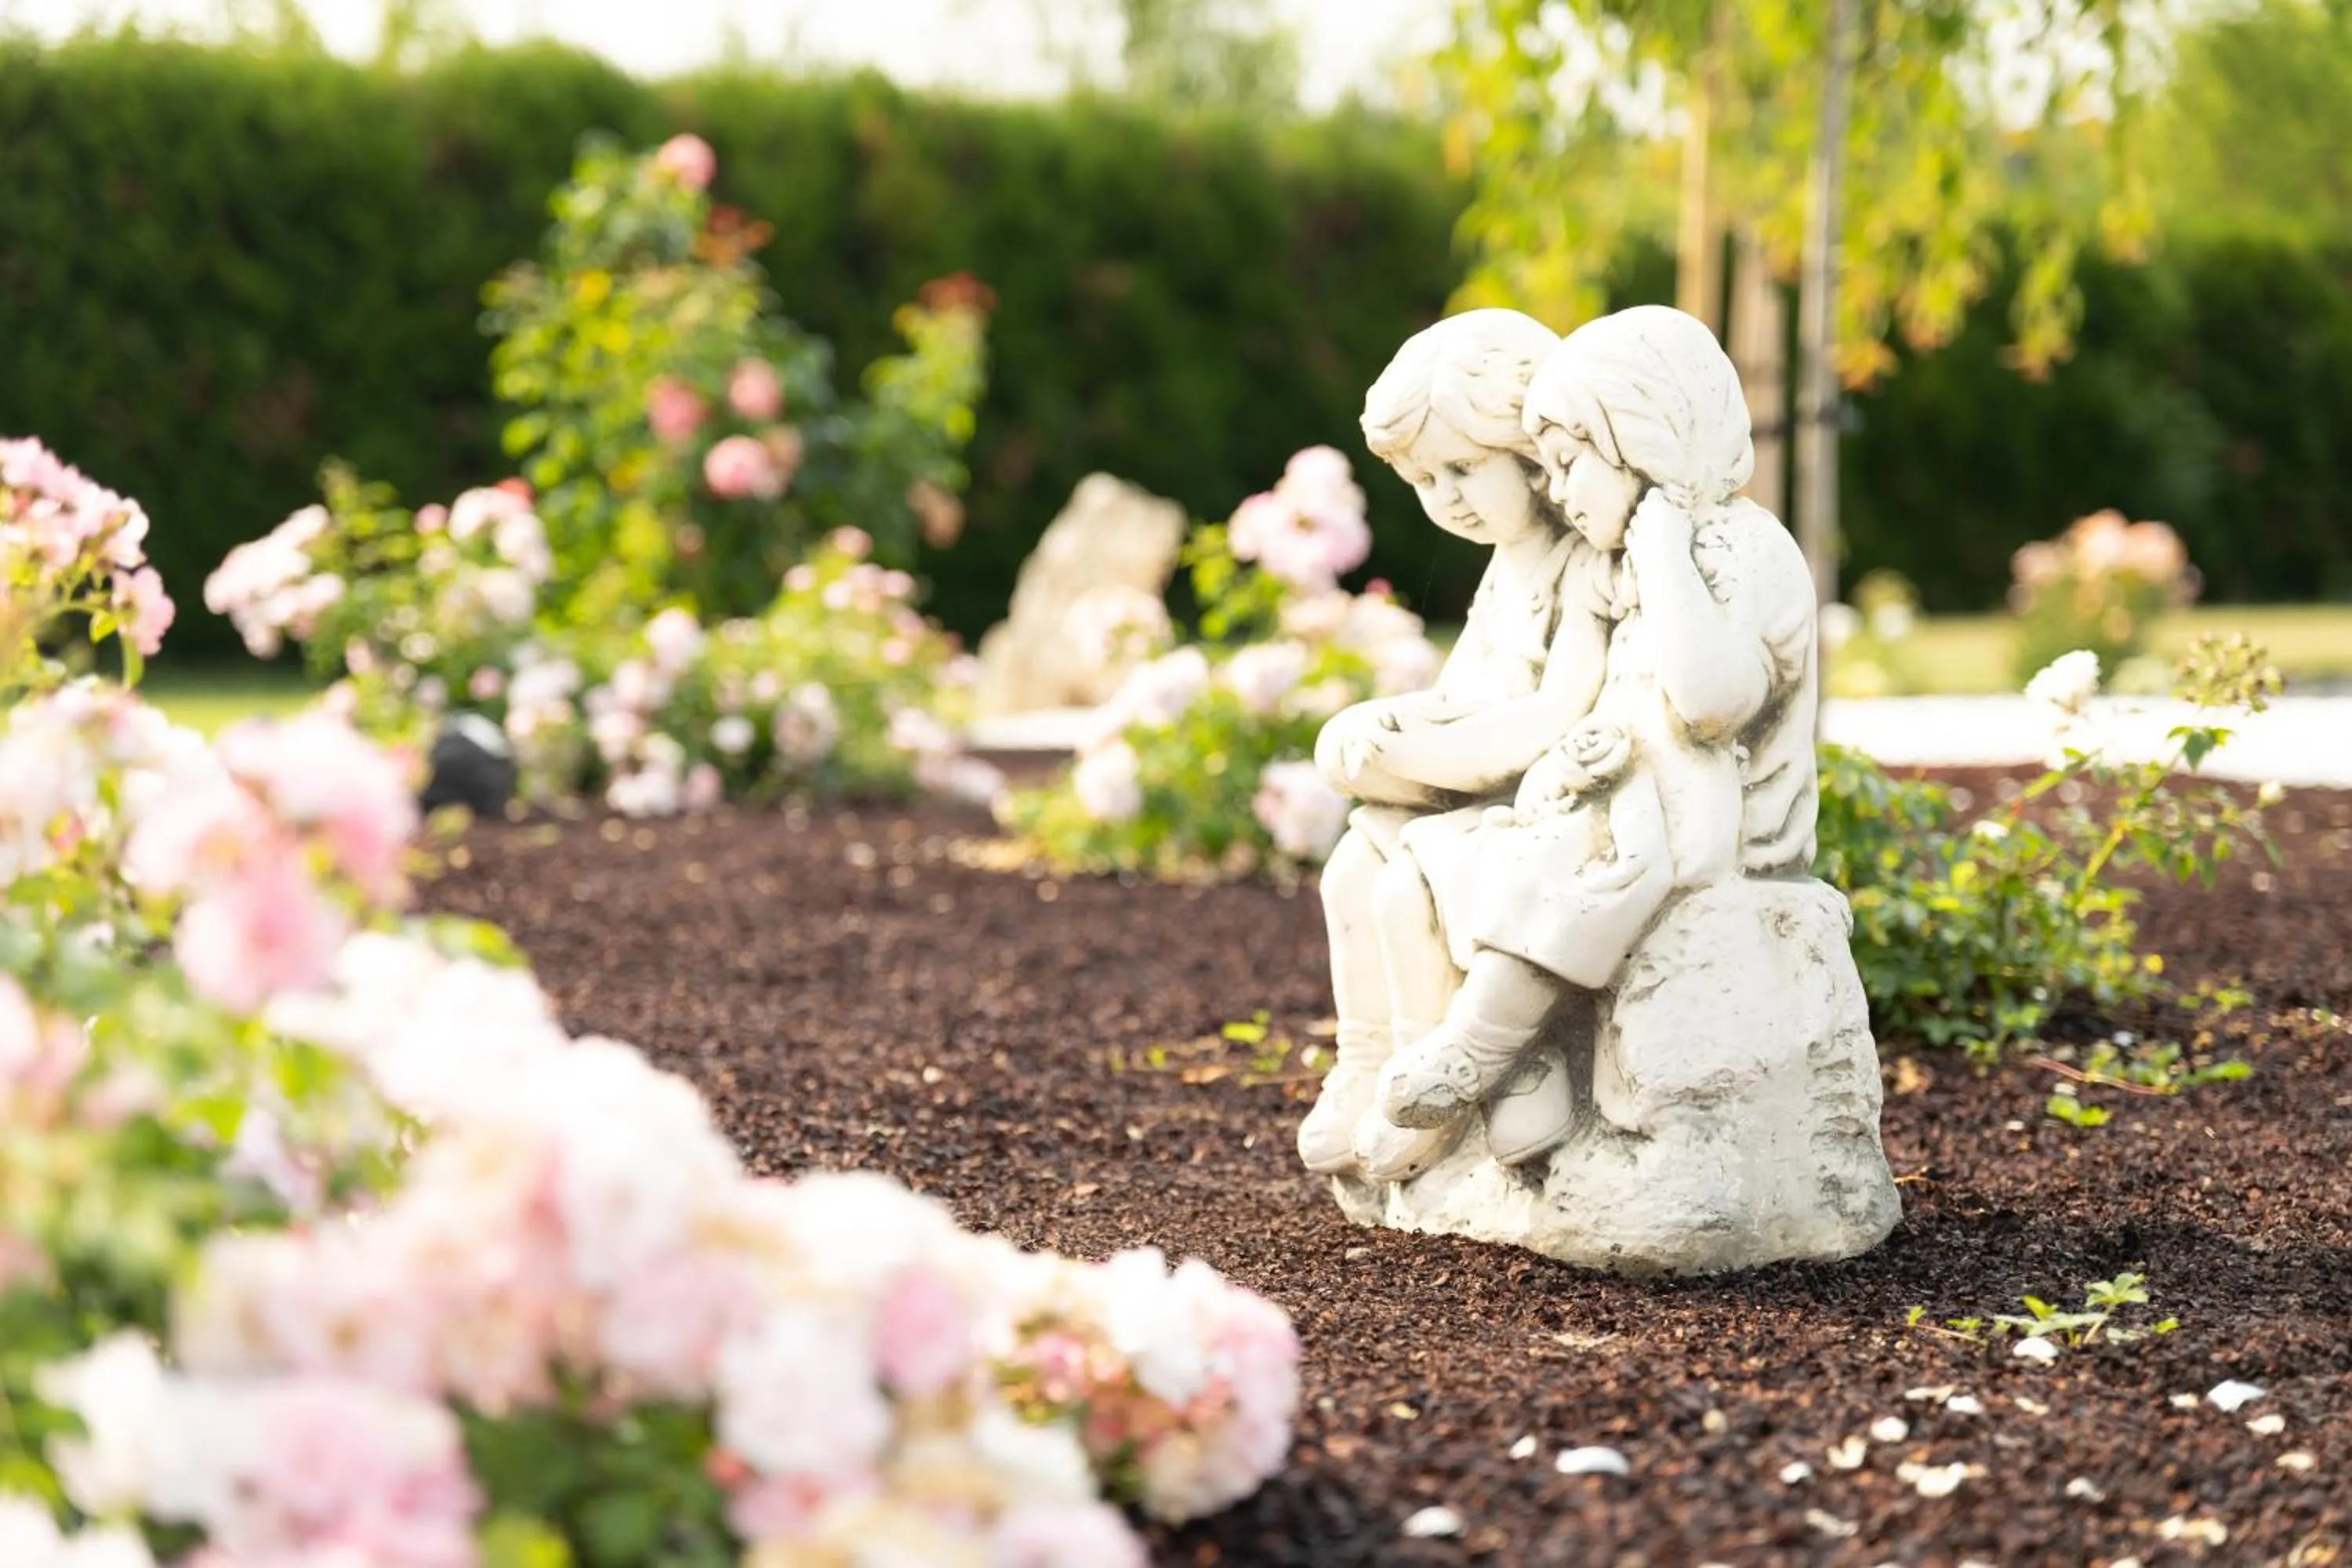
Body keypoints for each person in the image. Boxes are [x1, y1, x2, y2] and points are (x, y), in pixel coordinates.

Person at [1371, 303, 1820, 1136]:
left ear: (1645, 446)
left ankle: (1482, 1044)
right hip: (1643, 792)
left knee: (1590, 846)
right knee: (1489, 844)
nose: (1557, 488)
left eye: (1571, 464)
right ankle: (1514, 1074)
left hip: (1726, 819)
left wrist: (1660, 550)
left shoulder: (1738, 548)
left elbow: (1709, 703)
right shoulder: (1620, 562)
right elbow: (1607, 706)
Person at [1298, 308, 1617, 1183]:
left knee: (1407, 884)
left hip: (1538, 798)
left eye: (1465, 467)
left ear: (1533, 451)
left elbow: (1553, 714)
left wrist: (1426, 757)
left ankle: (1440, 1072)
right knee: (1350, 868)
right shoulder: (1503, 567)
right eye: (1426, 478)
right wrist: (1392, 728)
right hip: (1482, 784)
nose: (1448, 497)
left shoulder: (1581, 562)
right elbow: (1466, 694)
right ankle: (1367, 1059)